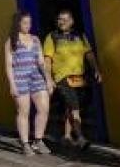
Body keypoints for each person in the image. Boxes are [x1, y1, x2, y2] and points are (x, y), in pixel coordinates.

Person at [43, 10, 102, 149]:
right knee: (74, 107)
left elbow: (89, 54)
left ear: (72, 21)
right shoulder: (52, 37)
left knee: (71, 107)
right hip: (62, 77)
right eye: (59, 19)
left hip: (79, 77)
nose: (62, 22)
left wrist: (96, 70)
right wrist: (49, 78)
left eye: (65, 19)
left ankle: (67, 136)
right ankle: (80, 138)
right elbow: (47, 59)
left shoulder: (80, 36)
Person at [4, 11, 53, 156]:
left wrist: (48, 79)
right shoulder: (11, 41)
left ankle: (38, 141)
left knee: (44, 108)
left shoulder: (36, 39)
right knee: (23, 111)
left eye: (29, 23)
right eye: (25, 23)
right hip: (20, 78)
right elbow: (8, 65)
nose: (28, 26)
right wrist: (12, 85)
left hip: (36, 77)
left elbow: (41, 62)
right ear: (18, 23)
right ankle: (25, 143)